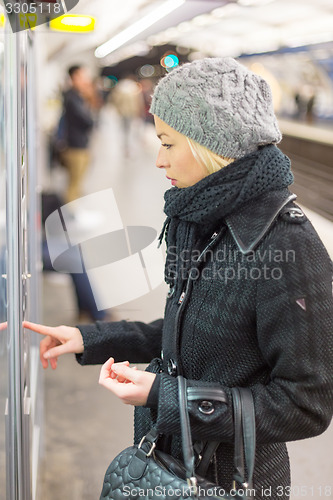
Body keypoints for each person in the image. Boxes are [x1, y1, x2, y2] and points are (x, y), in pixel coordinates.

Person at [23, 58, 333, 499]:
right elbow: (189, 333)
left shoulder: (289, 246)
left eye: (168, 143)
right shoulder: (200, 218)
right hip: (176, 462)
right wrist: (89, 339)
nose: (157, 159)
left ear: (212, 144)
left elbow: (307, 405)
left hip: (233, 481)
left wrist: (169, 397)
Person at [60, 65, 95, 203]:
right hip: (75, 145)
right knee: (74, 183)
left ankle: (72, 211)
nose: (86, 80)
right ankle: (68, 214)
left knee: (77, 181)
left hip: (79, 143)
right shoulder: (71, 98)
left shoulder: (78, 96)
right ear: (74, 77)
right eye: (82, 76)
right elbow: (87, 121)